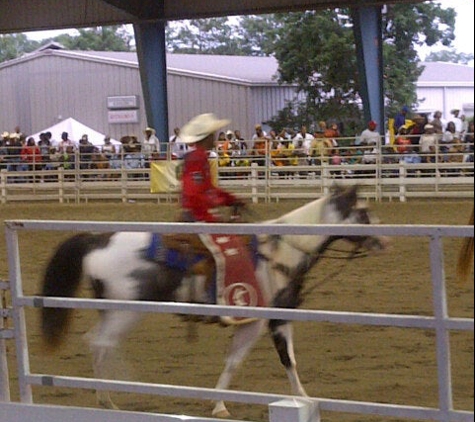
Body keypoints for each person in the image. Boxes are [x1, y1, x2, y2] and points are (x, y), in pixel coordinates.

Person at [180, 113, 243, 222]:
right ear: (207, 137)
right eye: (212, 135)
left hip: (197, 213)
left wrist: (230, 199)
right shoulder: (197, 159)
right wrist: (210, 218)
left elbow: (206, 189)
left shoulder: (199, 157)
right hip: (197, 216)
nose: (214, 137)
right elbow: (193, 194)